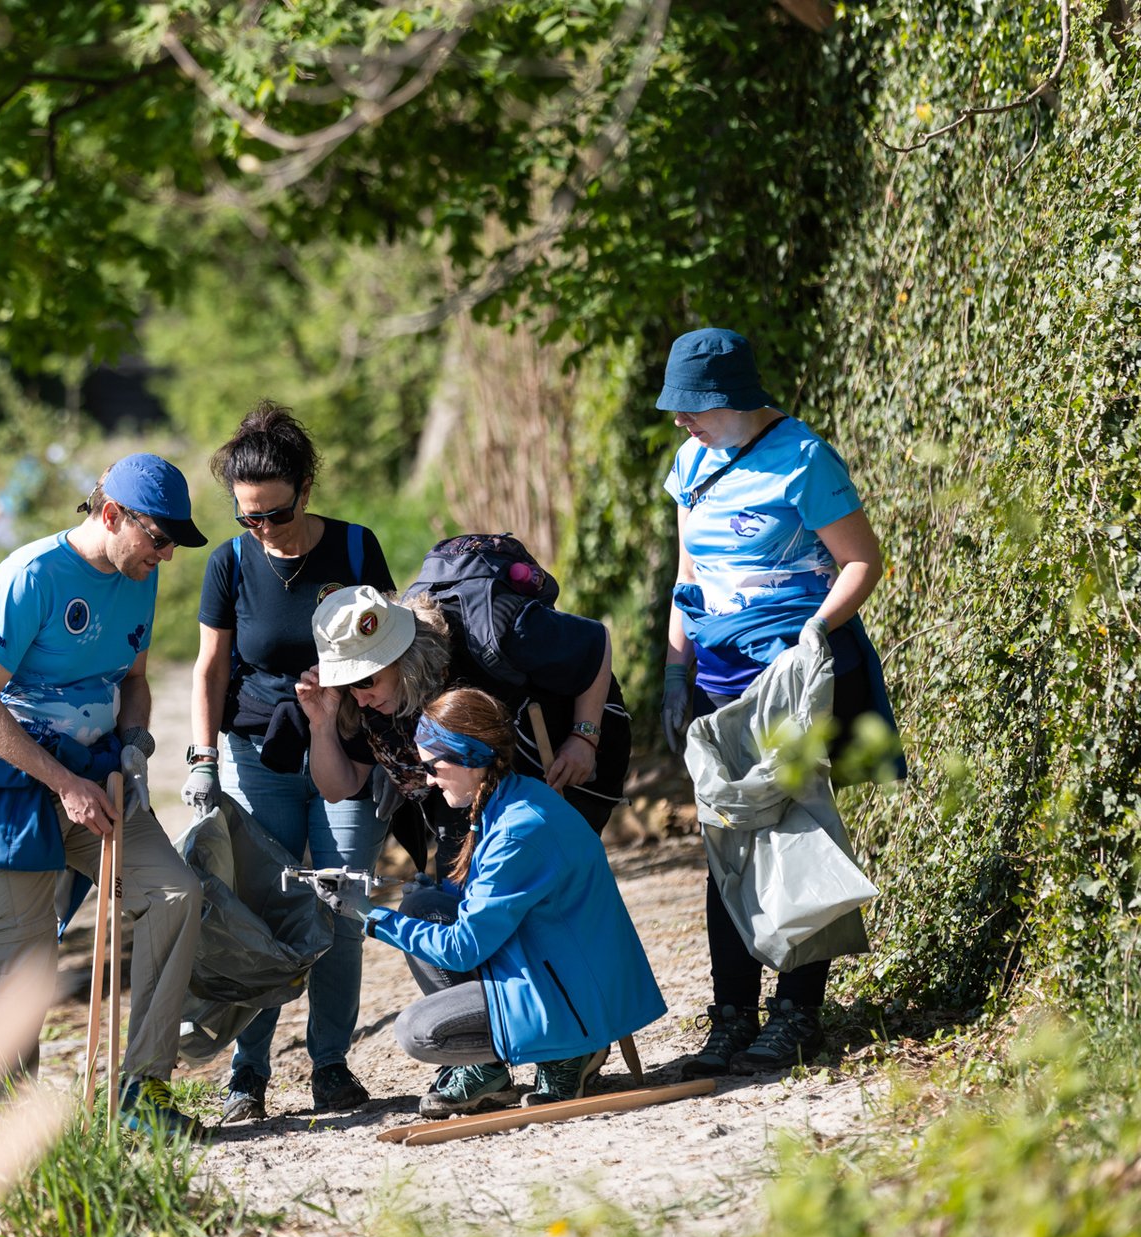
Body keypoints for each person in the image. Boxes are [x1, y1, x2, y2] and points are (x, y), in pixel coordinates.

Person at [0, 453, 207, 1136]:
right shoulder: (29, 576)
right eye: (158, 538)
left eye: (175, 541)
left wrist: (135, 743)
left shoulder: (137, 576)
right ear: (110, 514)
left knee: (176, 893)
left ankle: (142, 1093)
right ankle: (4, 1132)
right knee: (23, 972)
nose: (167, 556)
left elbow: (134, 677)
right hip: (5, 788)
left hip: (97, 776)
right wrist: (65, 784)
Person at [654, 328, 894, 1078]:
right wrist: (673, 668)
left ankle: (796, 1015)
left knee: (792, 832)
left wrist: (810, 635)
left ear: (731, 399)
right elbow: (687, 572)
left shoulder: (804, 458)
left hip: (789, 679)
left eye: (691, 407)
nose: (679, 422)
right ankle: (732, 1016)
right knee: (724, 842)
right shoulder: (690, 463)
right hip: (718, 680)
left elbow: (863, 559)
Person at [185, 402, 397, 1123]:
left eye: (274, 513)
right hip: (260, 756)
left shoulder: (357, 550)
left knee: (340, 905)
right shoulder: (229, 562)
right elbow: (210, 669)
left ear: (305, 489)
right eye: (247, 517)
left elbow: (389, 649)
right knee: (264, 911)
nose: (262, 530)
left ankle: (331, 1064)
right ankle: (248, 1075)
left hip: (348, 752)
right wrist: (203, 757)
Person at [317, 688, 664, 1117]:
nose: (428, 779)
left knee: (419, 1032)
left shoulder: (519, 830)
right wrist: (434, 898)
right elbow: (495, 907)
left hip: (575, 993)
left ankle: (570, 1053)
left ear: (470, 758)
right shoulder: (510, 798)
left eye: (434, 767)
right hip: (551, 966)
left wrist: (369, 914)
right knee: (424, 906)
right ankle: (492, 1071)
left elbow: (464, 947)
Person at [302, 577, 628, 885]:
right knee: (449, 909)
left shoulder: (493, 633)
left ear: (402, 657)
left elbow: (594, 641)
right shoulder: (363, 702)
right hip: (461, 802)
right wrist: (321, 722)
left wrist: (584, 737)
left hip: (552, 772)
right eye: (345, 684)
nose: (359, 698)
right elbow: (337, 788)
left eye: (364, 680)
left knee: (549, 896)